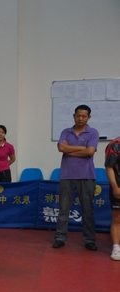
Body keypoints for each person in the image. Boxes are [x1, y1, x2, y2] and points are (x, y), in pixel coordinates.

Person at [53, 104, 99, 250]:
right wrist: (81, 148)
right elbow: (61, 148)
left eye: (84, 116)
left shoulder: (93, 132)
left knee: (87, 210)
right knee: (64, 209)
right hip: (66, 175)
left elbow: (90, 152)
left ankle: (89, 240)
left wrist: (69, 150)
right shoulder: (66, 132)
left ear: (89, 117)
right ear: (74, 116)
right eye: (78, 115)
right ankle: (60, 237)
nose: (80, 118)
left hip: (86, 176)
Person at [105, 137, 120, 260]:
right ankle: (116, 248)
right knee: (117, 218)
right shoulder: (114, 145)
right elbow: (109, 167)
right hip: (119, 186)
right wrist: (115, 187)